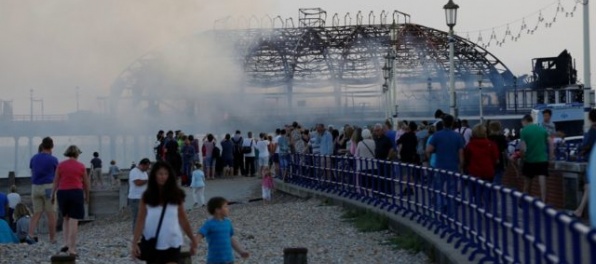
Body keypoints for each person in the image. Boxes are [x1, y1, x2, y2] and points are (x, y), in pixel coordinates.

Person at [131, 161, 198, 263]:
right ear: (154, 175)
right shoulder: (147, 196)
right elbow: (140, 220)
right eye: (160, 174)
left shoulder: (176, 195)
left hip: (172, 241)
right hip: (152, 243)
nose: (163, 177)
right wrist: (134, 243)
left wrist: (192, 239)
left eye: (166, 174)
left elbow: (183, 219)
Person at [51, 145, 91, 257]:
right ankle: (72, 249)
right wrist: (87, 196)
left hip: (62, 193)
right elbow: (87, 184)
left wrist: (52, 195)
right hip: (76, 192)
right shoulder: (81, 166)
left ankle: (65, 243)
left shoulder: (60, 165)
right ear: (77, 154)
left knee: (65, 218)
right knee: (74, 220)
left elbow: (56, 182)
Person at [426, 115, 465, 217]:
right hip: (453, 167)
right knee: (452, 191)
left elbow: (428, 150)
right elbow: (461, 153)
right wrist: (461, 166)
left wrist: (430, 160)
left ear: (443, 123)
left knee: (438, 189)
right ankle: (451, 214)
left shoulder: (437, 135)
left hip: (440, 166)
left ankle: (440, 211)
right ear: (452, 123)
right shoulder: (458, 136)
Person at [196, 197, 249, 264]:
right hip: (214, 260)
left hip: (229, 259)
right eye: (225, 207)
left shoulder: (227, 222)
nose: (228, 209)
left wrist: (241, 251)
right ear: (217, 210)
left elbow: (230, 239)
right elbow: (200, 234)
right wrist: (194, 245)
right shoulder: (209, 224)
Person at [28, 136, 58, 243]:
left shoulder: (34, 158)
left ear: (42, 145)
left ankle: (30, 235)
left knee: (36, 213)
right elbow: (56, 175)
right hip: (48, 187)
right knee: (51, 214)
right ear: (51, 146)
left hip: (35, 187)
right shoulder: (53, 159)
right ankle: (52, 238)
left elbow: (32, 170)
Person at [520, 114, 553, 203]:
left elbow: (522, 148)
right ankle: (543, 201)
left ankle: (524, 200)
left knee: (527, 183)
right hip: (542, 159)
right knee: (542, 183)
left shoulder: (524, 131)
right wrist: (551, 157)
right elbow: (550, 142)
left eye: (522, 123)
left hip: (529, 160)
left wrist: (522, 157)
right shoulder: (542, 129)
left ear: (525, 121)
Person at [464, 124, 499, 206]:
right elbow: (496, 159)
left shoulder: (470, 145)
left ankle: (478, 207)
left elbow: (467, 158)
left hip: (474, 172)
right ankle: (489, 208)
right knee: (488, 191)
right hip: (488, 171)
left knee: (477, 192)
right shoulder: (491, 144)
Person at [572, 109, 596, 218]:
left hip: (592, 161)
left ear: (590, 118)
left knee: (588, 187)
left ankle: (579, 210)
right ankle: (579, 210)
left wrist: (580, 152)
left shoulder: (592, 130)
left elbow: (586, 145)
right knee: (588, 187)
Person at [128, 158, 151, 231]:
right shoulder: (134, 171)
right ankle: (136, 233)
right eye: (146, 167)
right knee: (138, 217)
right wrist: (147, 181)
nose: (147, 169)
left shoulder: (144, 173)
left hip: (144, 197)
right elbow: (137, 183)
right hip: (135, 198)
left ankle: (143, 232)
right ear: (142, 165)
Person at [487, 121, 508, 185]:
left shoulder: (487, 138)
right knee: (498, 177)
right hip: (500, 160)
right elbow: (505, 149)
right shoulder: (502, 137)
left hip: (489, 160)